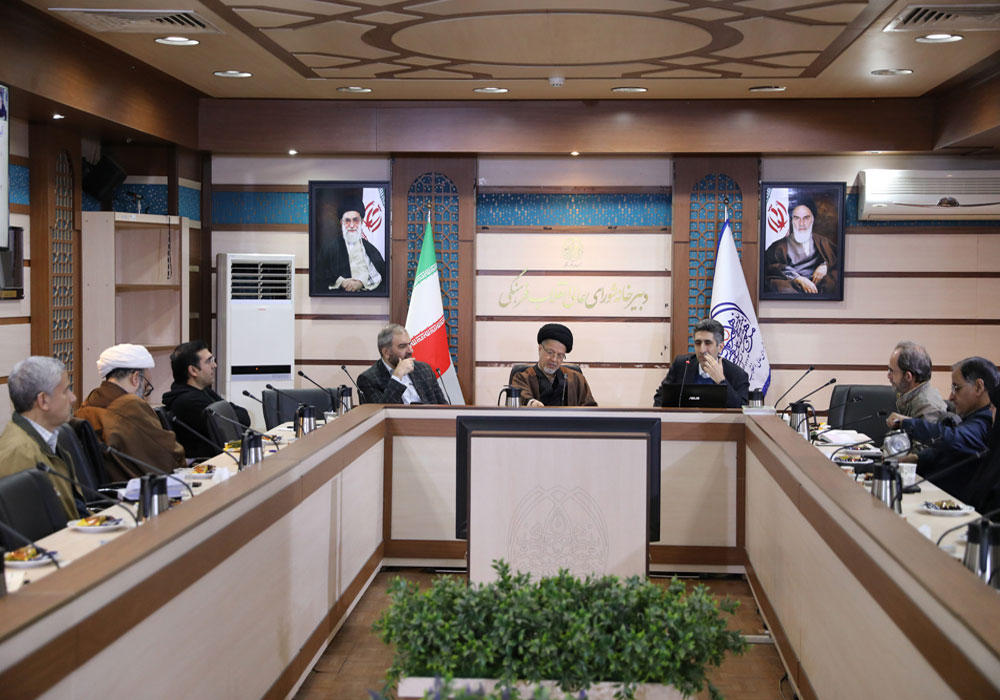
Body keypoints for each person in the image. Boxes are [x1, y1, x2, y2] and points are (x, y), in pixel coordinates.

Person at [76, 343, 186, 479]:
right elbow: (170, 457)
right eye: (146, 387)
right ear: (135, 378)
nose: (145, 395)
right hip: (135, 488)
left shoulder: (87, 404)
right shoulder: (130, 405)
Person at [895, 356, 997, 501]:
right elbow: (949, 451)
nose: (951, 397)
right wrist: (918, 458)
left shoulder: (986, 421)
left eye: (956, 388)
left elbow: (953, 438)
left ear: (978, 387)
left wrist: (908, 423)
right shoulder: (973, 417)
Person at [0, 356, 83, 519]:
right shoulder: (19, 454)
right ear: (43, 400)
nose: (73, 398)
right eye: (66, 390)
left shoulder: (48, 437)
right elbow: (32, 526)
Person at [162, 340, 251, 458]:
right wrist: (232, 412)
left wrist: (232, 412)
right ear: (193, 370)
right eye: (209, 361)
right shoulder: (189, 402)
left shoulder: (203, 391)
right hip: (212, 463)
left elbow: (242, 416)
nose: (214, 365)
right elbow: (235, 423)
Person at [654, 318, 749, 409]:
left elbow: (741, 410)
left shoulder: (737, 375)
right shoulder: (682, 365)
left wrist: (721, 381)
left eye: (708, 343)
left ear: (720, 347)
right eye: (698, 343)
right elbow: (660, 398)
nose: (702, 350)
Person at [357, 323, 448, 404]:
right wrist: (397, 376)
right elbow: (380, 413)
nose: (410, 350)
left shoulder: (424, 369)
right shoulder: (368, 379)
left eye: (409, 344)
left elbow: (443, 407)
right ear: (386, 352)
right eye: (403, 346)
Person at [509, 323, 597, 407]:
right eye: (550, 352)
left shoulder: (576, 379)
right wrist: (532, 403)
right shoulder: (522, 378)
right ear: (540, 349)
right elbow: (521, 396)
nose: (554, 359)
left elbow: (590, 409)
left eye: (560, 355)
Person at [764, 198, 838, 294]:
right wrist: (798, 278)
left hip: (818, 284)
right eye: (797, 218)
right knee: (779, 287)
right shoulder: (778, 246)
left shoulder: (823, 242)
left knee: (833, 280)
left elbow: (837, 259)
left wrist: (825, 266)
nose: (801, 223)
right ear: (792, 220)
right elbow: (772, 268)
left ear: (813, 220)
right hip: (793, 284)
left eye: (806, 218)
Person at [316, 201, 386, 293]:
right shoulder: (329, 248)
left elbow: (381, 275)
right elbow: (320, 274)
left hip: (366, 298)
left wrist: (361, 282)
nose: (352, 225)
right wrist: (341, 281)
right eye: (347, 221)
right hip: (337, 298)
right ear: (341, 222)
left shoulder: (370, 249)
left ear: (362, 222)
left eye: (355, 220)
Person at [885, 341, 948, 427]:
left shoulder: (927, 406)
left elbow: (924, 435)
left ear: (908, 376)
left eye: (892, 371)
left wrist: (905, 423)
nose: (888, 376)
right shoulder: (913, 397)